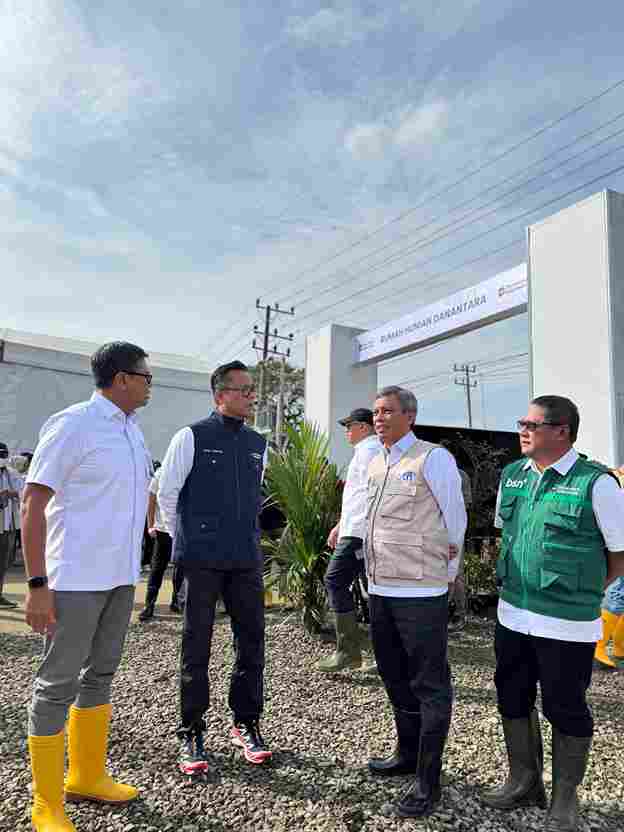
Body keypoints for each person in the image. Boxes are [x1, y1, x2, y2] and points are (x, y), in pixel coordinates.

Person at [21, 342, 153, 832]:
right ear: (121, 379)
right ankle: (47, 805)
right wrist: (38, 584)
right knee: (56, 685)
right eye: (145, 377)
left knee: (99, 677)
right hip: (73, 578)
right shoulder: (73, 424)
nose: (148, 385)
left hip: (120, 577)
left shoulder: (131, 432)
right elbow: (34, 503)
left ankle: (87, 775)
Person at [482, 396, 624, 832]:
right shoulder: (512, 476)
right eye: (521, 421)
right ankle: (524, 781)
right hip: (513, 617)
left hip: (566, 623)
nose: (521, 429)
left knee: (565, 708)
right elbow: (505, 538)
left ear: (561, 431)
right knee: (512, 697)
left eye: (531, 423)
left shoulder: (595, 483)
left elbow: (619, 555)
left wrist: (580, 593)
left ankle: (565, 799)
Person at [158, 360, 271, 775]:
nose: (250, 396)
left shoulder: (259, 445)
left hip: (245, 559)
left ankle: (245, 722)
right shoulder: (191, 437)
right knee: (195, 648)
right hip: (201, 560)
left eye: (251, 390)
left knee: (252, 644)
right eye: (243, 390)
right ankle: (190, 729)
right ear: (219, 394)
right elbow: (168, 494)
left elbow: (258, 498)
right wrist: (186, 544)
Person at [365, 386, 467, 819]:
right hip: (382, 589)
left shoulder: (433, 458)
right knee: (394, 678)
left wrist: (445, 577)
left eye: (387, 411)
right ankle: (406, 755)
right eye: (375, 412)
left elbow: (455, 520)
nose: (378, 418)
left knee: (429, 685)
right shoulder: (376, 461)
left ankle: (429, 780)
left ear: (410, 415)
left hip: (421, 592)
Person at [316, 408, 382, 672]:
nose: (347, 431)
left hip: (360, 534)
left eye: (350, 425)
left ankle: (348, 652)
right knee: (374, 593)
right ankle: (383, 656)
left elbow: (372, 495)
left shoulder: (369, 451)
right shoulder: (366, 451)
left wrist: (354, 532)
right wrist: (339, 526)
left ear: (364, 427)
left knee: (334, 580)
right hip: (354, 530)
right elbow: (357, 497)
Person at [138, 462, 183, 621]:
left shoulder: (183, 474)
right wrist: (150, 525)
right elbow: (151, 501)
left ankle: (176, 601)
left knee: (180, 568)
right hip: (162, 531)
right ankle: (149, 605)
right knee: (157, 568)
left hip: (179, 531)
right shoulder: (159, 475)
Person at [448, 468, 472, 632]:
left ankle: (460, 613)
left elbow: (466, 503)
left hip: (454, 527)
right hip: (433, 527)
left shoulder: (460, 475)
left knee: (456, 572)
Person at [0, 442, 22, 607]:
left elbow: (24, 492)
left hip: (8, 526)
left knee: (4, 562)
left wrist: (10, 493)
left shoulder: (11, 474)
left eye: (3, 455)